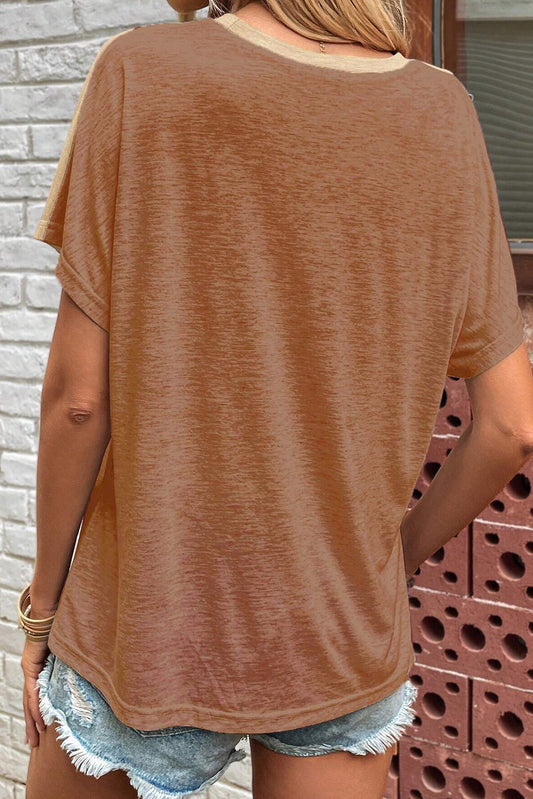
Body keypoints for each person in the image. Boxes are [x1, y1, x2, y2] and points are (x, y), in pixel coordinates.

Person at [21, 1, 533, 798]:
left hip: (146, 621)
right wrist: (388, 565)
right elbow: (508, 427)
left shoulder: (144, 72)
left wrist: (43, 611)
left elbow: (78, 402)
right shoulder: (443, 110)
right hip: (339, 626)